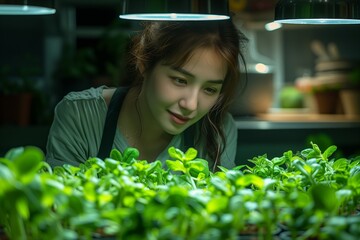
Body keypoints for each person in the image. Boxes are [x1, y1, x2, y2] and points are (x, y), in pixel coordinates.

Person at [45, 19, 248, 172]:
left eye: (210, 89)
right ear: (144, 64)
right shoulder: (80, 115)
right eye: (180, 80)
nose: (191, 105)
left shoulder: (217, 129)